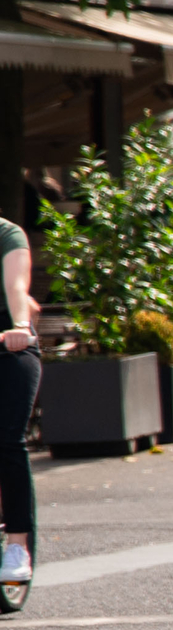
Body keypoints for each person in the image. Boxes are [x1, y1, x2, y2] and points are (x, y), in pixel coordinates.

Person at [0, 210, 36, 586]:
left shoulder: (7, 236)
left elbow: (16, 288)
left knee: (7, 440)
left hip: (9, 347)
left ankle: (16, 544)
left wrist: (20, 327)